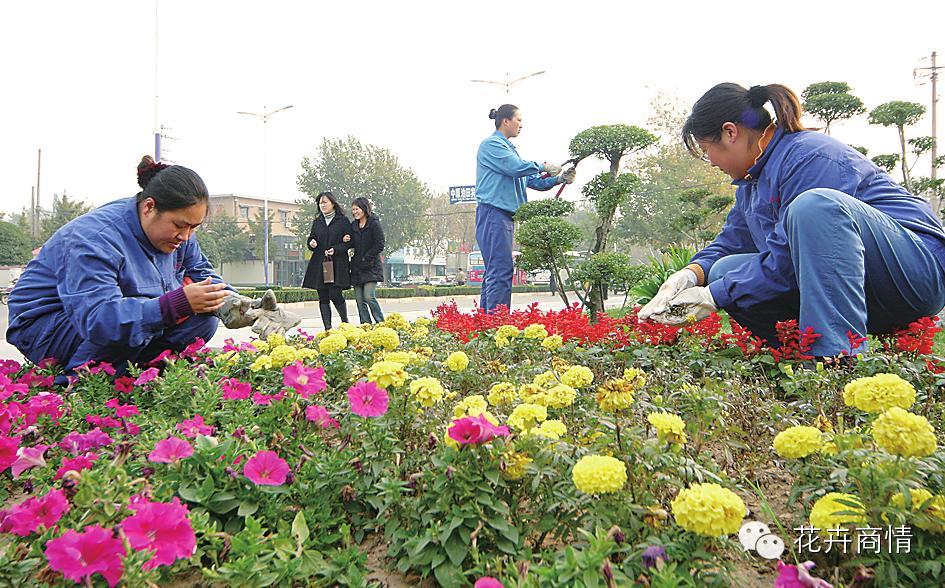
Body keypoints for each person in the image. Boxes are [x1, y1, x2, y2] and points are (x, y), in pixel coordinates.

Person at [639, 83, 945, 359]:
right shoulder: (753, 182)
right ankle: (793, 359)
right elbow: (732, 243)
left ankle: (836, 363)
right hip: (866, 288)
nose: (712, 163)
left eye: (708, 151)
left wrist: (714, 296)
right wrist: (691, 275)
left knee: (814, 207)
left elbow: (786, 260)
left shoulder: (809, 157)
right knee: (722, 271)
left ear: (730, 132)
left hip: (915, 273)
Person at [6, 156, 298, 373]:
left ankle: (138, 374)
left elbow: (204, 276)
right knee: (145, 319)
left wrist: (237, 304)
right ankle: (79, 382)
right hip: (49, 324)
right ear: (149, 207)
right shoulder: (94, 240)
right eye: (181, 226)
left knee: (204, 317)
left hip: (110, 315)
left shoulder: (179, 236)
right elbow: (99, 319)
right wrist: (176, 304)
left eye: (194, 228)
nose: (186, 237)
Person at [475, 104, 576, 312]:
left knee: (496, 270)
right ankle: (496, 322)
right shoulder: (492, 145)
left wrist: (559, 179)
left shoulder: (510, 150)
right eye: (518, 120)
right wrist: (543, 165)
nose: (521, 125)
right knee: (500, 270)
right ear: (506, 121)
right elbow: (515, 168)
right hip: (493, 214)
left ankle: (487, 322)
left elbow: (533, 181)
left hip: (502, 217)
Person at [302, 191, 352, 330]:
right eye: (320, 203)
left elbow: (349, 242)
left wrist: (336, 249)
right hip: (320, 262)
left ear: (333, 203)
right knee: (323, 295)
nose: (322, 205)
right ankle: (328, 328)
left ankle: (344, 322)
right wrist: (311, 243)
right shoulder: (318, 222)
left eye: (325, 202)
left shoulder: (342, 221)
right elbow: (312, 238)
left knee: (335, 294)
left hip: (337, 263)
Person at [345, 197, 386, 324]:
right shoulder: (354, 225)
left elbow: (380, 244)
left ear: (364, 209)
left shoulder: (374, 223)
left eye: (357, 209)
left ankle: (381, 323)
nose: (354, 212)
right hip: (357, 267)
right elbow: (353, 243)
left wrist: (366, 258)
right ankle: (366, 326)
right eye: (353, 210)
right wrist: (346, 239)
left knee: (369, 296)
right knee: (359, 300)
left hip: (371, 266)